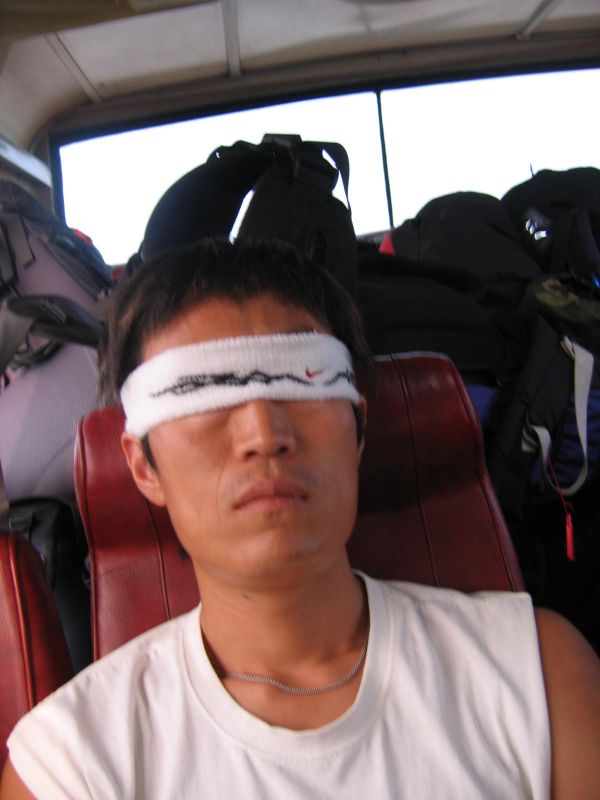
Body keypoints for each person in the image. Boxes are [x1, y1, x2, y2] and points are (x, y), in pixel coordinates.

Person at [2, 238, 599, 799]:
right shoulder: (72, 764)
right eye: (202, 393)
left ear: (357, 429)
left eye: (304, 380)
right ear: (143, 466)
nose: (263, 434)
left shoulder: (538, 674)